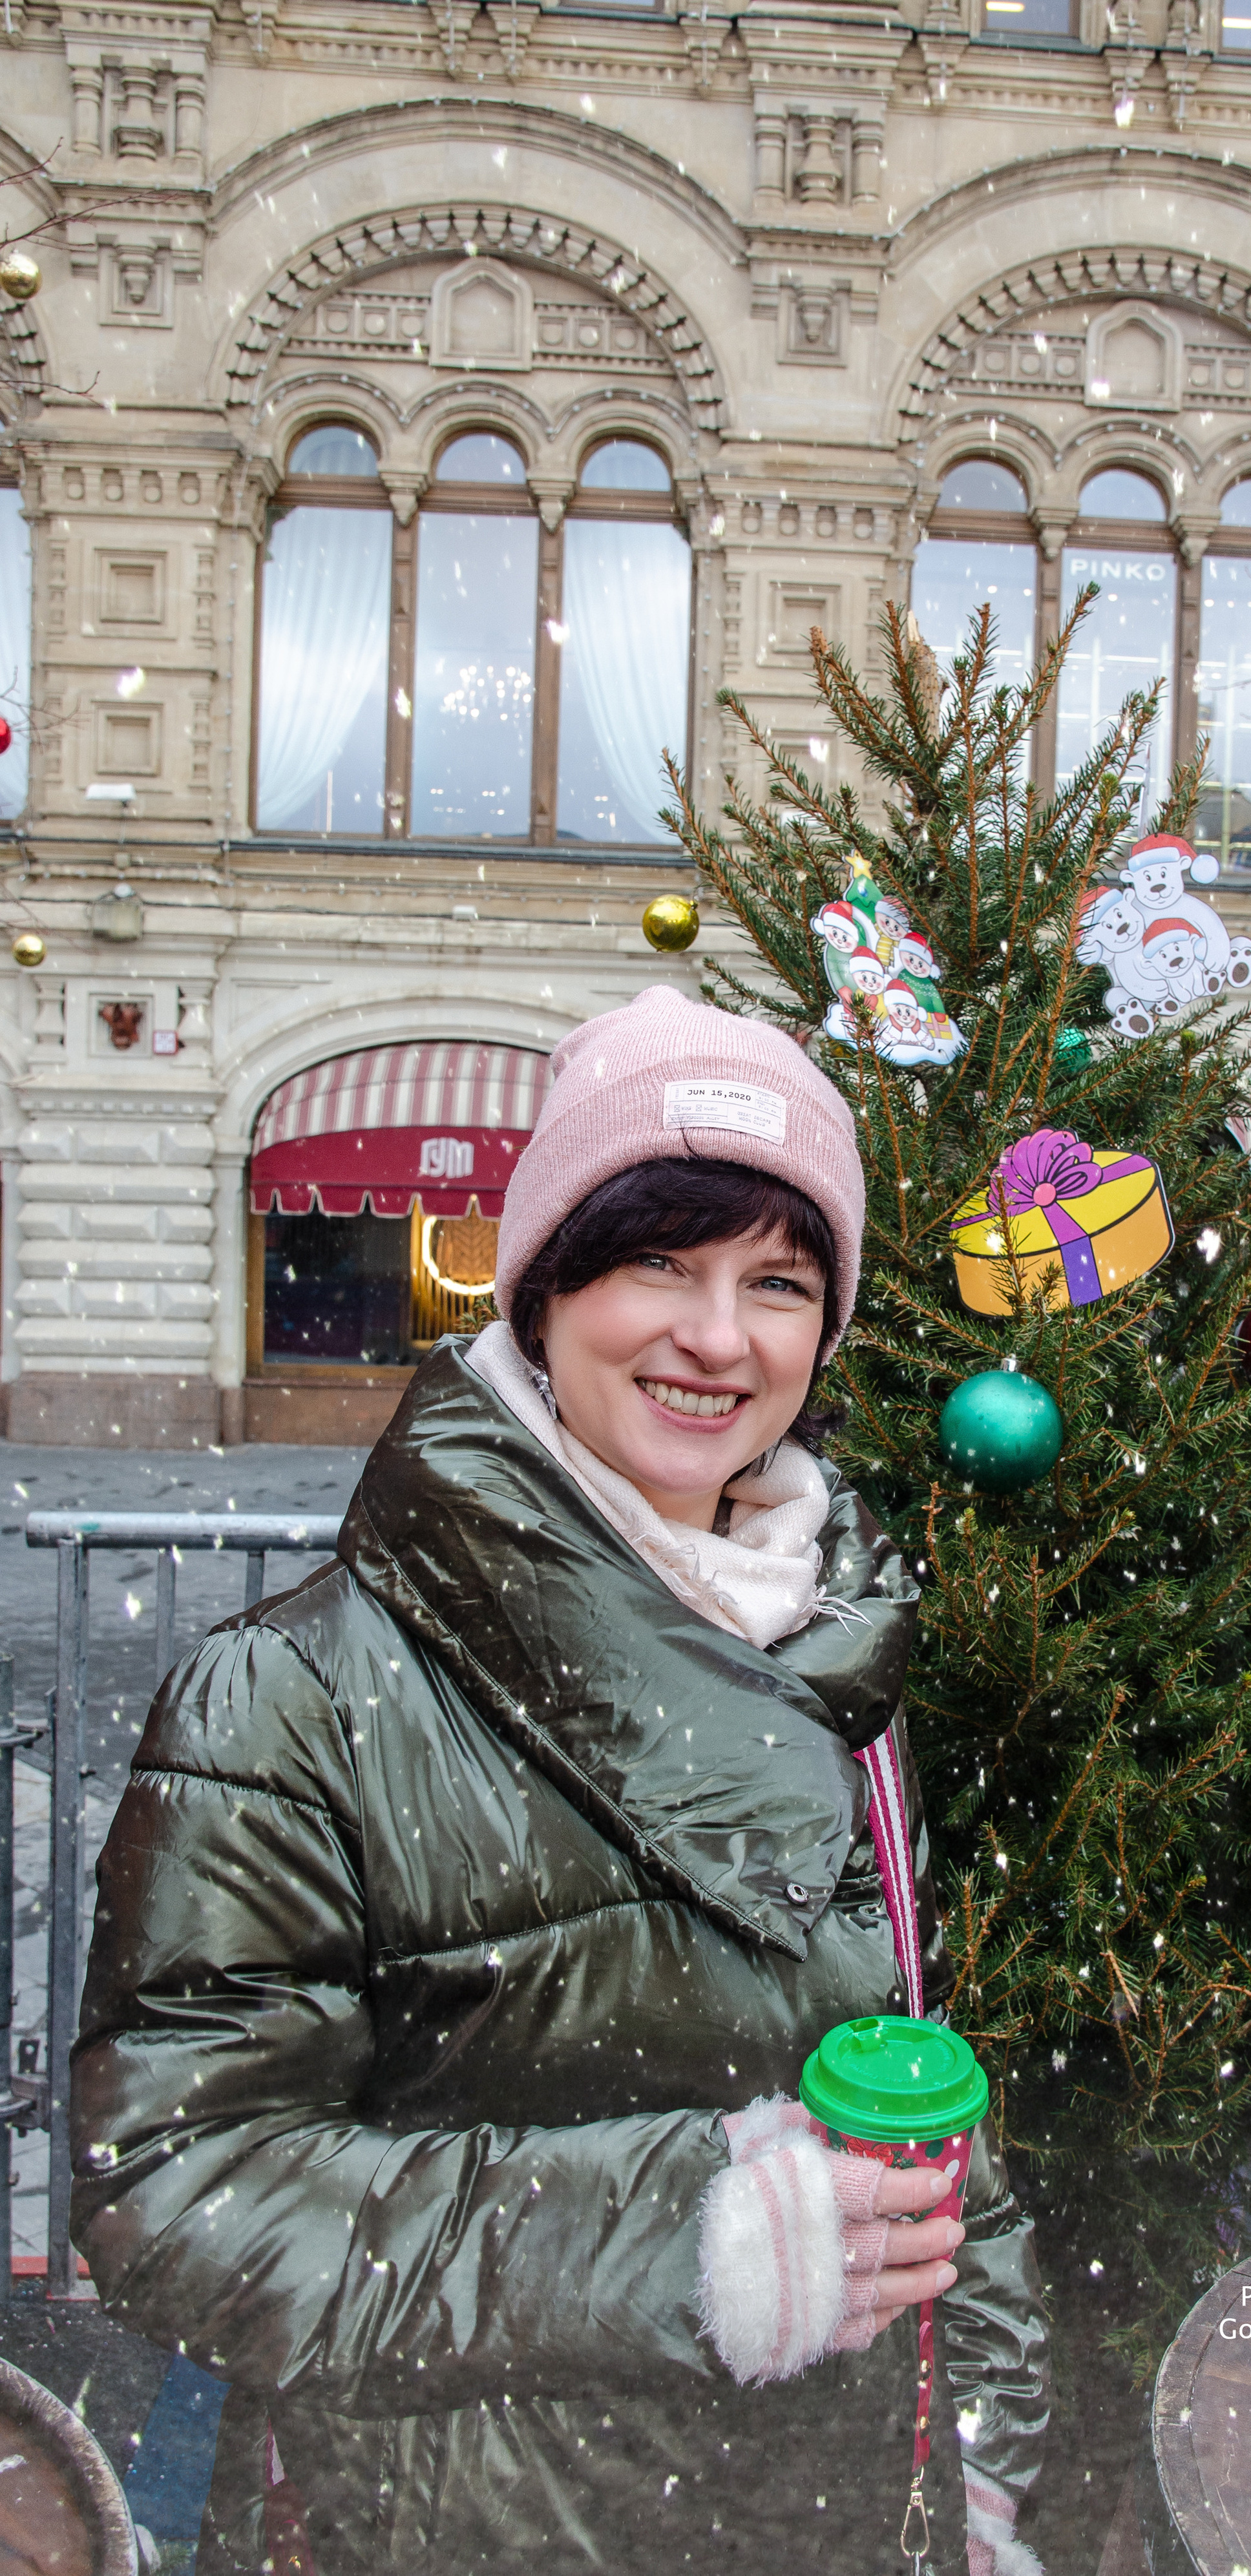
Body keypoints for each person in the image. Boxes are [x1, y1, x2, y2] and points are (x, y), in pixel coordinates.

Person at [72, 989, 1050, 2576]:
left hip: (832, 2523)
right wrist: (686, 2233)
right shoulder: (291, 1693)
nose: (717, 1335)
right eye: (656, 1258)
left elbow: (919, 2110)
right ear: (536, 1295)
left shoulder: (839, 1647)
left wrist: (997, 2483)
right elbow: (179, 2189)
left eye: (777, 1281)